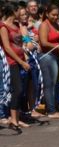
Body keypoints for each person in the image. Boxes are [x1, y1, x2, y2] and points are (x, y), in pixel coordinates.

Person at [0, 3, 31, 133]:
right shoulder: (3, 26)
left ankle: (16, 120)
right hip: (10, 62)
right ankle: (12, 119)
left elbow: (20, 43)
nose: (22, 13)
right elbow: (7, 48)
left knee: (20, 90)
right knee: (17, 90)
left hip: (20, 61)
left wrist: (25, 54)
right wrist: (20, 61)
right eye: (19, 11)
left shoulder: (17, 25)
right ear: (13, 11)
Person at [39, 4, 59, 119]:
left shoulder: (55, 24)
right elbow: (44, 42)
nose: (55, 17)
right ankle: (51, 111)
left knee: (56, 84)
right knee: (49, 84)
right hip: (47, 56)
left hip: (55, 56)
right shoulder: (44, 25)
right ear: (47, 14)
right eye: (53, 15)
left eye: (57, 15)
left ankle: (55, 107)